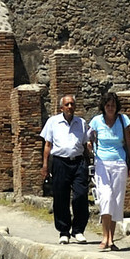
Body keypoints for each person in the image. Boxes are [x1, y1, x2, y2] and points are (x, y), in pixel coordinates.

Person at [87, 87, 130, 253]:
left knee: (116, 201)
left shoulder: (123, 120)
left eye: (113, 105)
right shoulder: (96, 121)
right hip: (102, 164)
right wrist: (89, 144)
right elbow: (90, 138)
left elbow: (129, 143)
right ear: (103, 106)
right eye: (107, 105)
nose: (110, 108)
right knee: (105, 198)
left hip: (119, 163)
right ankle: (104, 236)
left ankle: (111, 239)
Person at [39, 91, 90, 244]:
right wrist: (45, 166)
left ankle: (78, 230)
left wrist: (89, 163)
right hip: (60, 162)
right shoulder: (53, 122)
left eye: (72, 104)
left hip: (78, 162)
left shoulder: (81, 123)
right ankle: (64, 231)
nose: (70, 107)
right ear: (61, 107)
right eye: (67, 104)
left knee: (81, 195)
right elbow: (47, 145)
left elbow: (85, 144)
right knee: (61, 197)